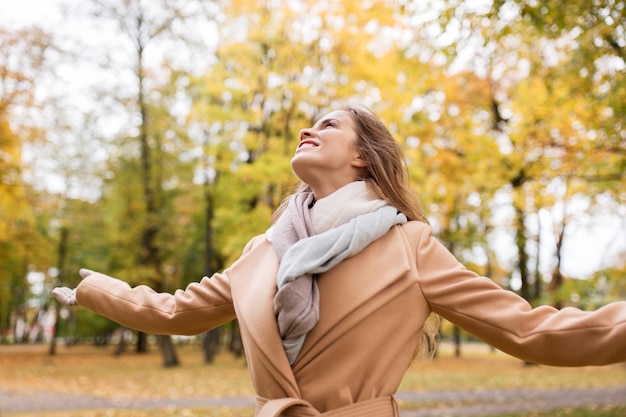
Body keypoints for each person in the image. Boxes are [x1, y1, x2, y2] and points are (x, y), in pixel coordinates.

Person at [53, 102, 626, 417]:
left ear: (361, 157)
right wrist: (97, 292)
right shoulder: (264, 251)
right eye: (312, 121)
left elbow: (528, 329)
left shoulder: (410, 246)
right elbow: (179, 312)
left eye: (329, 123)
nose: (308, 127)